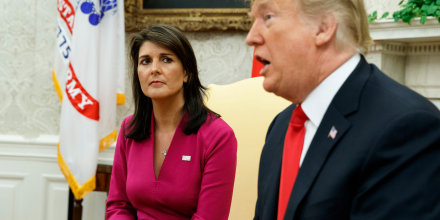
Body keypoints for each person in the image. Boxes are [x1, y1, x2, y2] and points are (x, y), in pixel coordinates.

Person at [246, 0, 440, 219]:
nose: (251, 37)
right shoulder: (281, 127)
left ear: (323, 28)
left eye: (268, 17)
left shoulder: (407, 129)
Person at [106, 24, 237, 220]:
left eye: (166, 60)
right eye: (145, 61)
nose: (154, 70)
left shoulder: (219, 136)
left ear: (187, 73)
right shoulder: (129, 129)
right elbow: (118, 207)